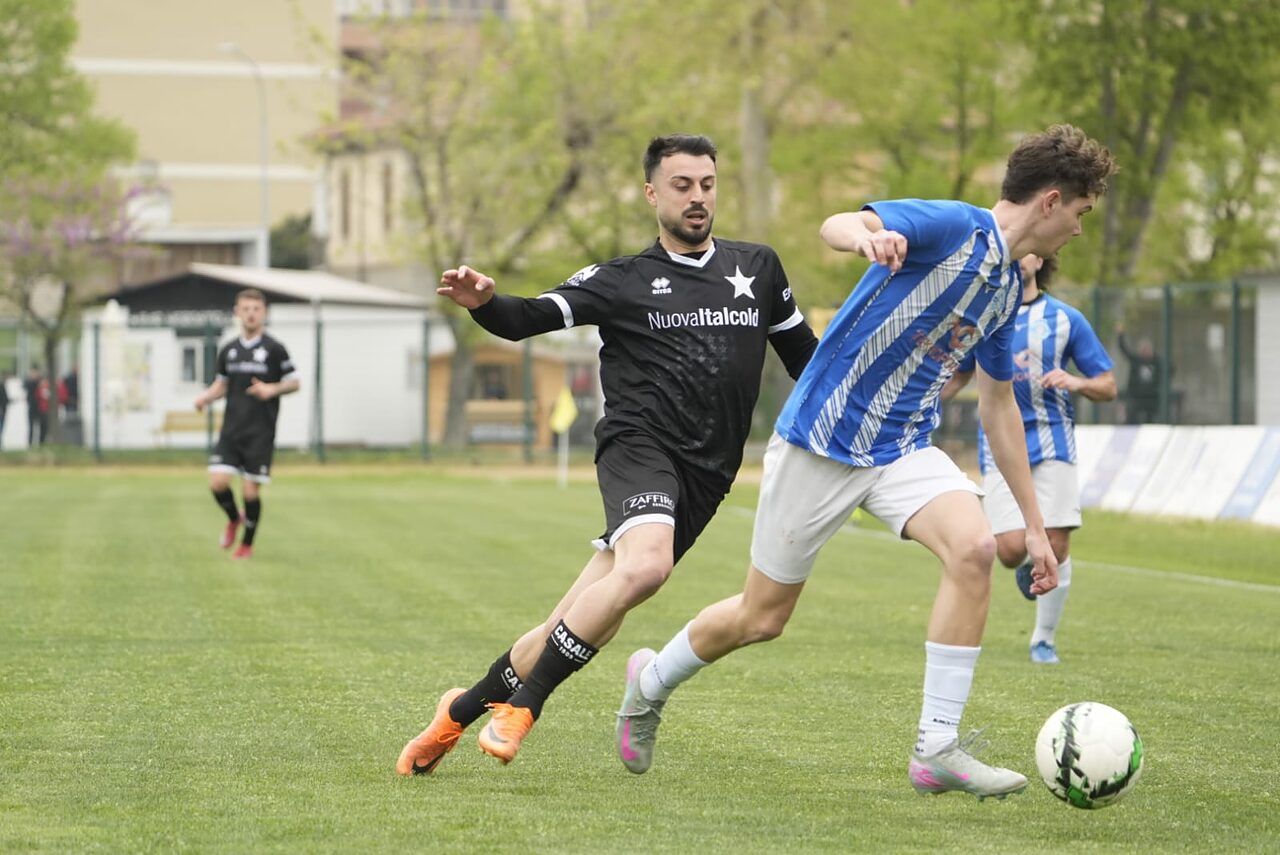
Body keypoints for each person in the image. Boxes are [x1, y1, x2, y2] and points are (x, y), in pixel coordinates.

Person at [616, 124, 1116, 800]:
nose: (1080, 229)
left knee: (973, 549)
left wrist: (1031, 527)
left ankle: (936, 747)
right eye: (1081, 212)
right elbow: (837, 224)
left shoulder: (1005, 290)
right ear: (1051, 201)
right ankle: (649, 682)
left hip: (901, 446)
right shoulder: (955, 226)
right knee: (761, 617)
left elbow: (998, 409)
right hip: (821, 441)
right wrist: (865, 238)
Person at [395, 133, 818, 774]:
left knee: (581, 616)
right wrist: (485, 304)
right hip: (639, 448)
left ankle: (458, 711)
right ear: (652, 193)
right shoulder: (624, 280)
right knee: (645, 569)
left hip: (708, 472)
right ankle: (525, 708)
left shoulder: (756, 268)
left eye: (706, 184)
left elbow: (806, 360)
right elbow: (527, 317)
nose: (697, 197)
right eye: (682, 185)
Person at [940, 253, 1116, 665]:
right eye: (1015, 251)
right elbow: (959, 374)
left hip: (1053, 440)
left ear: (1042, 260)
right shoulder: (983, 316)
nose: (1021, 258)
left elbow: (1107, 385)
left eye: (1030, 251)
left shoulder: (1066, 319)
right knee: (1008, 550)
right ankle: (1026, 566)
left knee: (1056, 541)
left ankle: (1043, 640)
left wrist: (1075, 382)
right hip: (1000, 443)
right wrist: (922, 403)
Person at [193, 288, 300, 560]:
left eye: (256, 309)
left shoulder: (274, 349)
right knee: (217, 483)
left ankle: (246, 545)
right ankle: (233, 518)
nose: (251, 314)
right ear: (237, 312)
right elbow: (222, 385)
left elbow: (294, 382)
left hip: (260, 432)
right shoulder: (229, 349)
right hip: (232, 430)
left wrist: (271, 389)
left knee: (250, 491)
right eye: (246, 309)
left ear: (264, 313)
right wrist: (205, 397)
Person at [1116, 325, 1165, 424]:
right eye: (1143, 349)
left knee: (1151, 417)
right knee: (1131, 411)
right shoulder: (1136, 360)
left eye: (1147, 349)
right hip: (1136, 395)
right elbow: (1124, 350)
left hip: (1151, 396)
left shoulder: (1156, 362)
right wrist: (1120, 335)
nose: (1145, 351)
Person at [24, 367, 45, 447]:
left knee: (42, 426)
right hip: (32, 407)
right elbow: (25, 386)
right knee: (31, 427)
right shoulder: (29, 383)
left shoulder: (40, 382)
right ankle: (30, 443)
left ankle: (41, 443)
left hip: (40, 407)